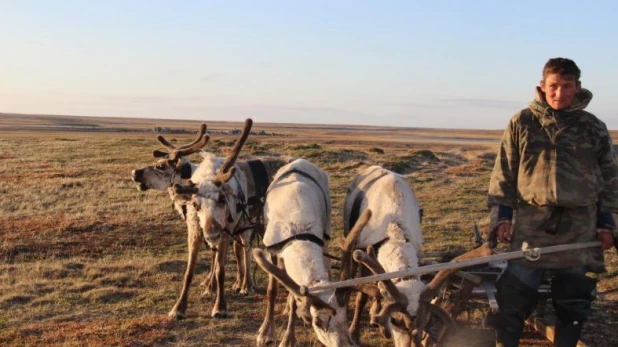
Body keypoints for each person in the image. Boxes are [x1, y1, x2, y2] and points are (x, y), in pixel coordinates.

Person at [487, 57, 618, 347]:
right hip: (532, 227)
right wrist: (502, 218)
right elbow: (504, 174)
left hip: (578, 229)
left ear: (578, 87)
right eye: (554, 86)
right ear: (542, 86)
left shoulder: (593, 127)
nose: (560, 94)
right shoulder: (522, 122)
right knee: (513, 296)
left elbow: (610, 183)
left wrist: (607, 224)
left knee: (572, 301)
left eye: (567, 87)